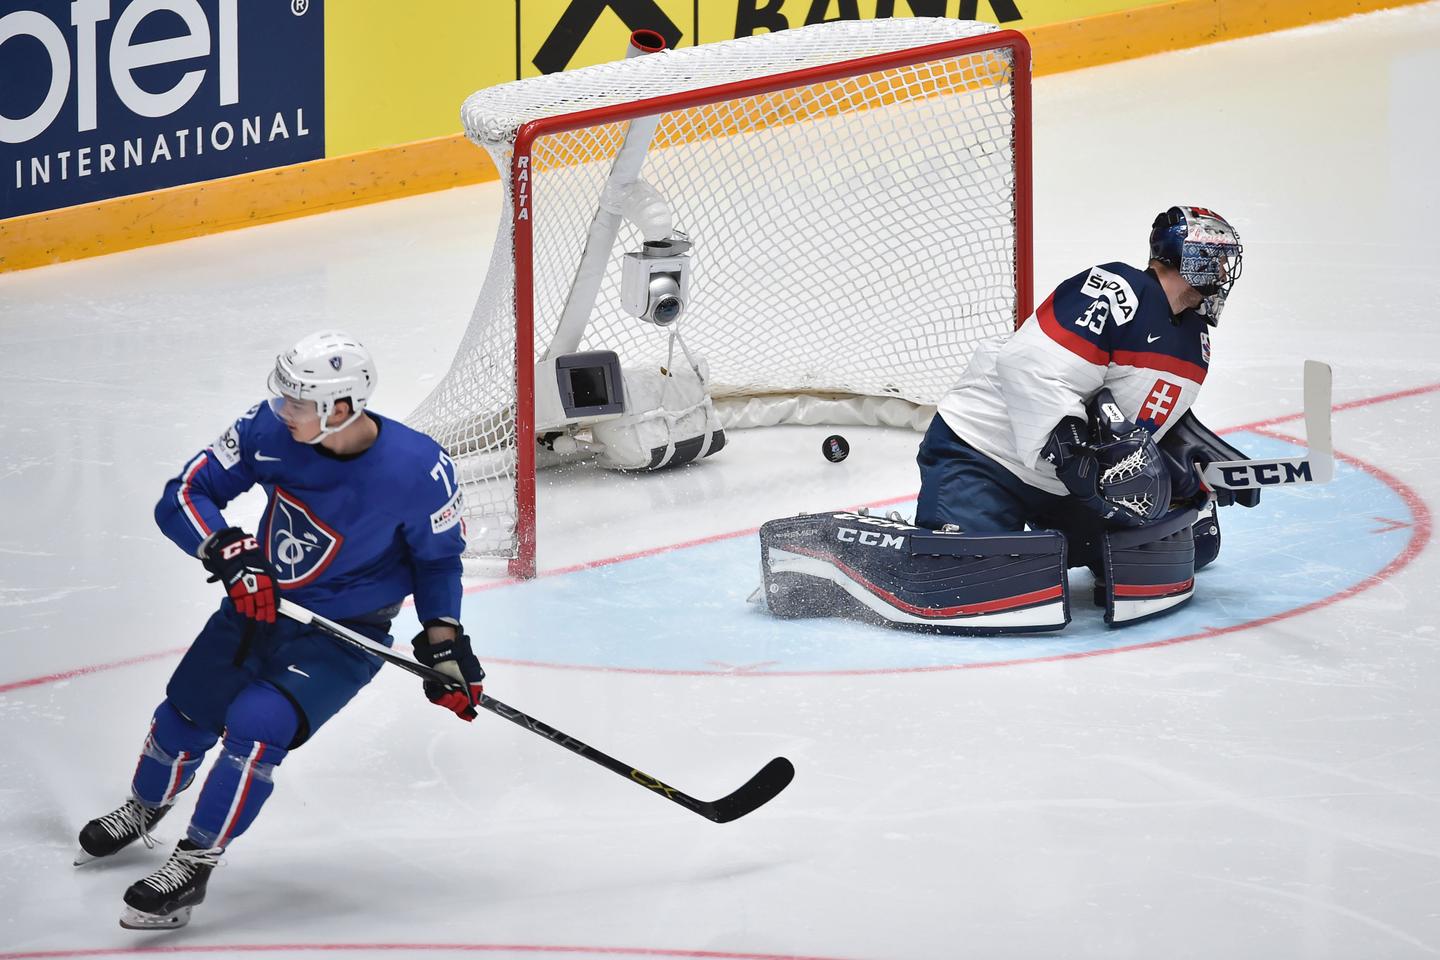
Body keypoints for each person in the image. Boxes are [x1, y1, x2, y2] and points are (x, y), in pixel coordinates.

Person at [75, 331, 486, 931]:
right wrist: (224, 547)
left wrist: (444, 636)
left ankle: (193, 863)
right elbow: (185, 493)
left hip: (346, 632)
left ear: (339, 409)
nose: (280, 409)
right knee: (183, 717)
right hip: (260, 604)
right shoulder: (269, 431)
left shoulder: (419, 470)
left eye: (297, 402)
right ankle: (146, 806)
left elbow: (438, 560)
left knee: (256, 725)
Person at [915, 205, 1245, 573]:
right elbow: (1027, 364)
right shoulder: (1121, 290)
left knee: (1176, 552)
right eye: (1215, 258)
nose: (1222, 271)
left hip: (1069, 486)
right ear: (1187, 256)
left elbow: (1135, 415)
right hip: (986, 453)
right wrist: (1073, 451)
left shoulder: (1194, 336)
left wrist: (1194, 465)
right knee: (962, 577)